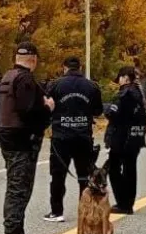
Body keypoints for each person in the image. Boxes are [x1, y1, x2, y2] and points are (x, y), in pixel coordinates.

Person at [0, 41, 54, 234]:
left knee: (19, 188)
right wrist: (47, 109)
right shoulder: (25, 79)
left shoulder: (8, 77)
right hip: (22, 141)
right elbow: (28, 111)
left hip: (9, 138)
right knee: (18, 190)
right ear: (34, 59)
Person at [43, 56, 103, 222]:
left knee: (58, 175)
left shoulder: (55, 85)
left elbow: (46, 107)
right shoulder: (92, 86)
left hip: (61, 137)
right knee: (84, 175)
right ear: (80, 67)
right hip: (83, 137)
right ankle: (85, 211)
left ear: (64, 68)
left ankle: (57, 212)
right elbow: (98, 111)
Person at [104, 66, 146, 215]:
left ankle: (123, 203)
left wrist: (105, 108)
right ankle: (128, 203)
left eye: (120, 78)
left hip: (122, 137)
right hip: (136, 137)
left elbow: (114, 113)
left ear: (125, 77)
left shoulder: (126, 93)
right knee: (130, 169)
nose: (119, 81)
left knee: (114, 169)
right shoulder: (140, 94)